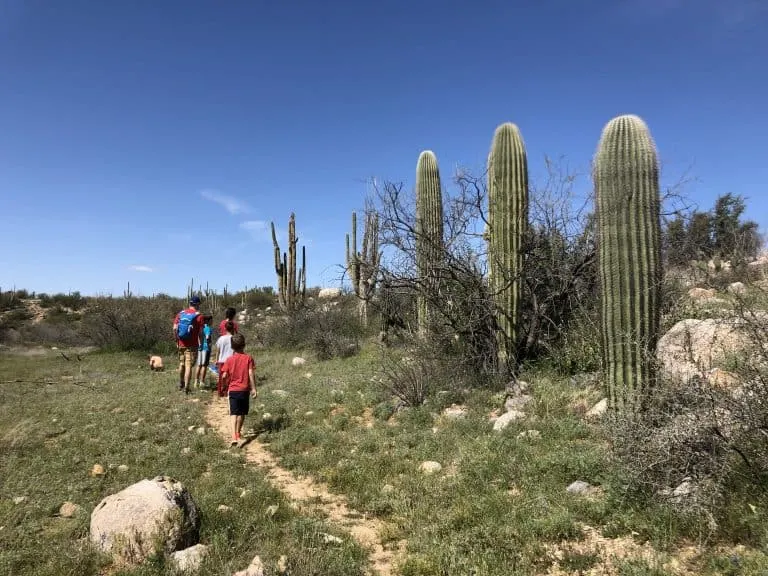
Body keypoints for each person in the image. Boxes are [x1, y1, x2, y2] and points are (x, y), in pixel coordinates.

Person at [220, 333, 257, 446]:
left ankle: (233, 437)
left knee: (233, 414)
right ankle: (238, 433)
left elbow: (224, 375)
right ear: (244, 345)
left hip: (233, 390)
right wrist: (253, 388)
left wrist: (225, 385)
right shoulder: (248, 358)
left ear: (232, 347)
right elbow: (251, 373)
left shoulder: (229, 360)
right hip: (244, 390)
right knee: (242, 413)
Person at [173, 296, 205, 394]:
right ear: (197, 304)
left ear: (190, 303)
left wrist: (176, 340)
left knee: (181, 364)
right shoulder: (199, 316)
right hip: (192, 345)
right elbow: (201, 333)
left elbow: (174, 328)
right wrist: (201, 343)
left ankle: (181, 383)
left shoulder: (180, 314)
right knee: (188, 366)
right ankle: (187, 387)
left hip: (181, 343)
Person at [212, 321, 235, 397]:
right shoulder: (234, 338)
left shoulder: (221, 338)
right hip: (231, 361)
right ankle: (228, 392)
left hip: (221, 361)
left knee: (221, 378)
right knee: (230, 377)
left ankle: (221, 392)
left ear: (225, 328)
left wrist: (216, 359)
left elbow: (218, 350)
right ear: (233, 329)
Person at [194, 315, 213, 389]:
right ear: (207, 321)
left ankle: (196, 382)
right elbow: (208, 337)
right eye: (211, 320)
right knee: (204, 365)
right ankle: (202, 382)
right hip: (206, 348)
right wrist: (209, 344)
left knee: (198, 365)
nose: (212, 322)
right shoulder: (207, 328)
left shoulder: (200, 328)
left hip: (200, 348)